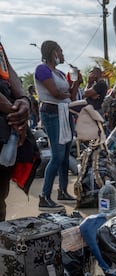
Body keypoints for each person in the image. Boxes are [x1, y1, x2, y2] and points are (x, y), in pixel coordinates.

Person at [34, 40, 80, 211]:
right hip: (52, 113)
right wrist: (66, 93)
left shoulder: (60, 73)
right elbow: (55, 94)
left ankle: (62, 190)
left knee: (66, 154)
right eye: (60, 51)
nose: (62, 55)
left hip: (65, 112)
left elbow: (70, 96)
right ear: (53, 52)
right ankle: (44, 196)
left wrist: (77, 82)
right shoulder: (42, 69)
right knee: (58, 155)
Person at [0, 41, 31, 221]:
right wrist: (13, 110)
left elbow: (8, 69)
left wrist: (23, 99)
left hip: (6, 122)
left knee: (0, 194)